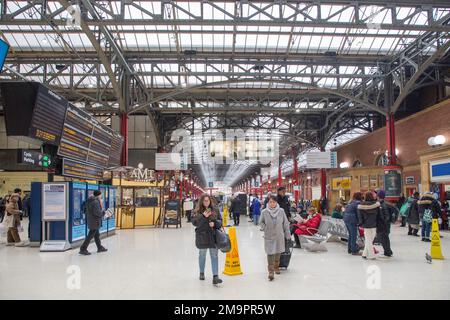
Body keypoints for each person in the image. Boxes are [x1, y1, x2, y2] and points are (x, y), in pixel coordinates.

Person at [191, 194, 223, 285]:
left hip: (213, 236)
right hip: (202, 237)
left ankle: (215, 276)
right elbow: (195, 223)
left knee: (214, 256)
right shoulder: (197, 211)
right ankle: (201, 272)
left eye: (208, 200)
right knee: (202, 255)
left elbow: (220, 222)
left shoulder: (215, 210)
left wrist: (215, 223)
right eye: (204, 201)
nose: (206, 202)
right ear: (201, 201)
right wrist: (203, 216)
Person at [260, 195, 291, 281]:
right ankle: (270, 271)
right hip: (269, 235)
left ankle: (276, 266)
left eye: (274, 202)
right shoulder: (264, 212)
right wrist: (265, 228)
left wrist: (287, 234)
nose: (272, 204)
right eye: (270, 202)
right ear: (268, 203)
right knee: (270, 253)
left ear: (276, 202)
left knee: (278, 252)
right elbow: (261, 222)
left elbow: (285, 223)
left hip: (279, 235)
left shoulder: (281, 211)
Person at [79, 190, 108, 255]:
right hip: (95, 221)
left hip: (91, 220)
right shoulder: (95, 202)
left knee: (96, 235)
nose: (101, 196)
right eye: (100, 195)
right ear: (98, 195)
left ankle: (99, 247)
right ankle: (83, 249)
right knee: (90, 235)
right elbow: (97, 213)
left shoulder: (89, 200)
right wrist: (103, 213)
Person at [357, 192, 380, 260]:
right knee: (370, 240)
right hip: (374, 224)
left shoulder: (361, 205)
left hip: (366, 225)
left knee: (368, 240)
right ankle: (371, 255)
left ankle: (365, 254)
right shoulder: (376, 204)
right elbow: (379, 215)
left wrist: (361, 223)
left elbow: (359, 216)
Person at [377, 190, 397, 257]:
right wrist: (392, 220)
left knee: (384, 238)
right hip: (386, 224)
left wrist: (385, 221)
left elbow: (386, 216)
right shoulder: (387, 203)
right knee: (384, 238)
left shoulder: (382, 204)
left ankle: (388, 252)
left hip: (383, 224)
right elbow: (396, 211)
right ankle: (388, 251)